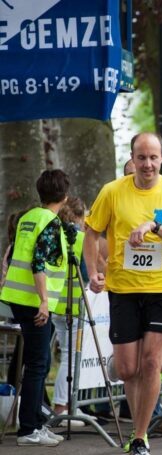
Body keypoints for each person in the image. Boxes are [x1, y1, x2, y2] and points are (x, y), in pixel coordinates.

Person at [84, 132, 162, 455]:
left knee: (151, 362)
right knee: (127, 369)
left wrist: (156, 228)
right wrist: (94, 271)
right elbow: (91, 232)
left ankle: (139, 436)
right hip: (123, 289)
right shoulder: (112, 192)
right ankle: (139, 429)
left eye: (153, 157)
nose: (147, 164)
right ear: (132, 159)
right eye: (141, 158)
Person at [0, 169, 70, 447]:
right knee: (37, 365)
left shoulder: (28, 218)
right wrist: (43, 301)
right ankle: (29, 428)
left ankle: (36, 423)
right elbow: (38, 263)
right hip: (34, 302)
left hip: (17, 299)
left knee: (36, 363)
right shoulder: (51, 223)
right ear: (64, 197)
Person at [49, 197, 88, 426]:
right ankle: (62, 408)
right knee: (71, 357)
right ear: (77, 216)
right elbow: (85, 274)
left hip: (56, 302)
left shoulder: (55, 235)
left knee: (68, 355)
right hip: (74, 305)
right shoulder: (79, 239)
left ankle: (70, 405)